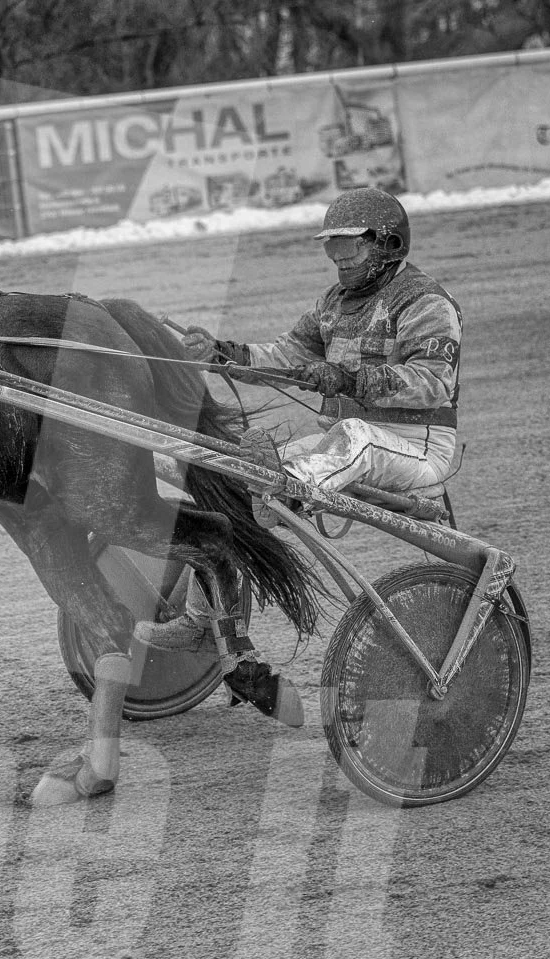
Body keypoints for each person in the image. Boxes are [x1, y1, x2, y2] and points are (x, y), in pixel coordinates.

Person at [139, 187, 463, 727]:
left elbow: (433, 384)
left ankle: (282, 484)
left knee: (351, 433)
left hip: (415, 449)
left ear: (385, 245)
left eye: (349, 250)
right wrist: (221, 353)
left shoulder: (426, 304)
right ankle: (202, 619)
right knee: (230, 480)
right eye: (332, 249)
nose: (338, 260)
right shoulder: (334, 305)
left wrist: (349, 377)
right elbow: (286, 355)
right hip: (342, 448)